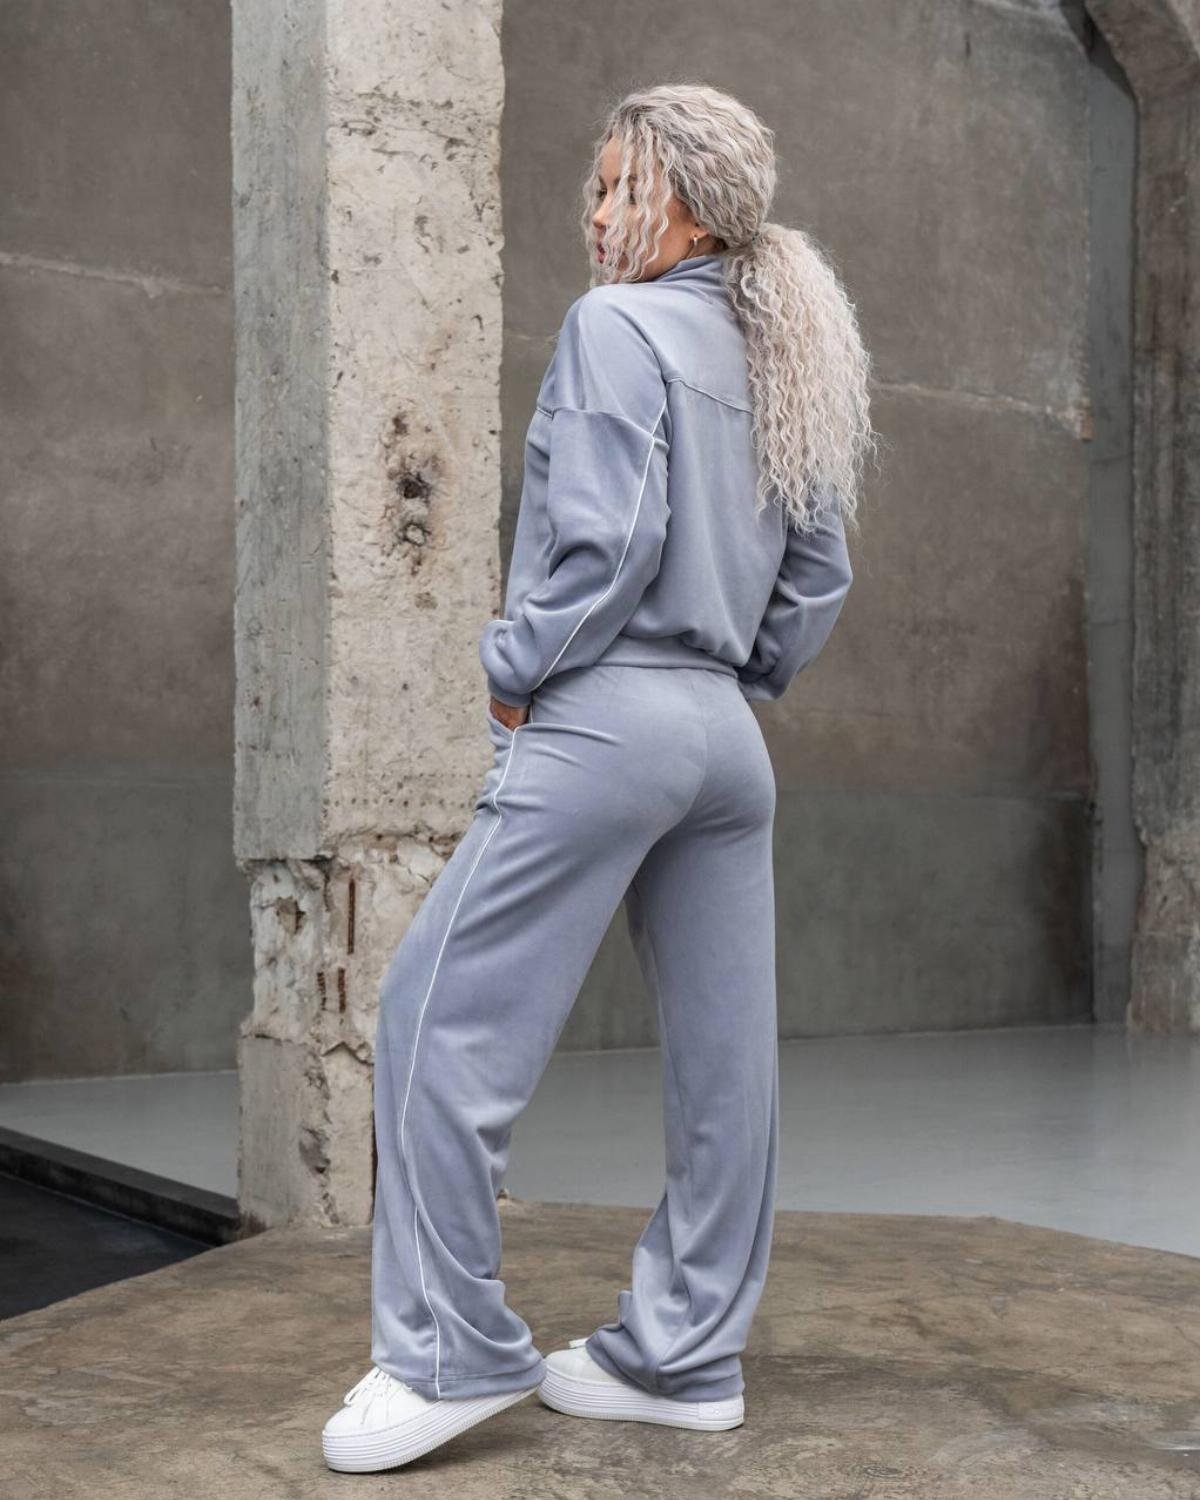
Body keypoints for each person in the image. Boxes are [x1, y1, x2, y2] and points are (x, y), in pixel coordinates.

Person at [321, 81, 876, 1473]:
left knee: (432, 1018)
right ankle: (683, 1358)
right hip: (725, 742)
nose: (598, 211)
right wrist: (728, 680)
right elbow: (818, 572)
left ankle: (446, 1352)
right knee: (725, 1074)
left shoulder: (613, 327)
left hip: (605, 715)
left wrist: (518, 664)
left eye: (621, 186)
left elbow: (609, 538)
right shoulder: (784, 350)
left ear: (679, 204)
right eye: (596, 187)